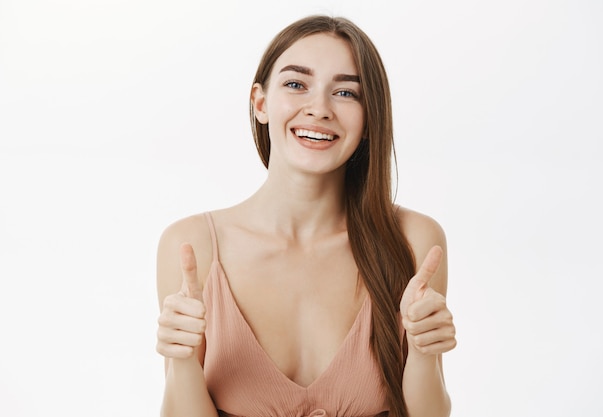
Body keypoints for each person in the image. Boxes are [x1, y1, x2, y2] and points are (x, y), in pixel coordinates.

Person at [156, 15, 457, 417]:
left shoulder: (415, 241)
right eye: (296, 85)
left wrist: (423, 353)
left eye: (347, 93)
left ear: (369, 120)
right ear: (260, 103)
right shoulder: (192, 246)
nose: (319, 109)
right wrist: (181, 360)